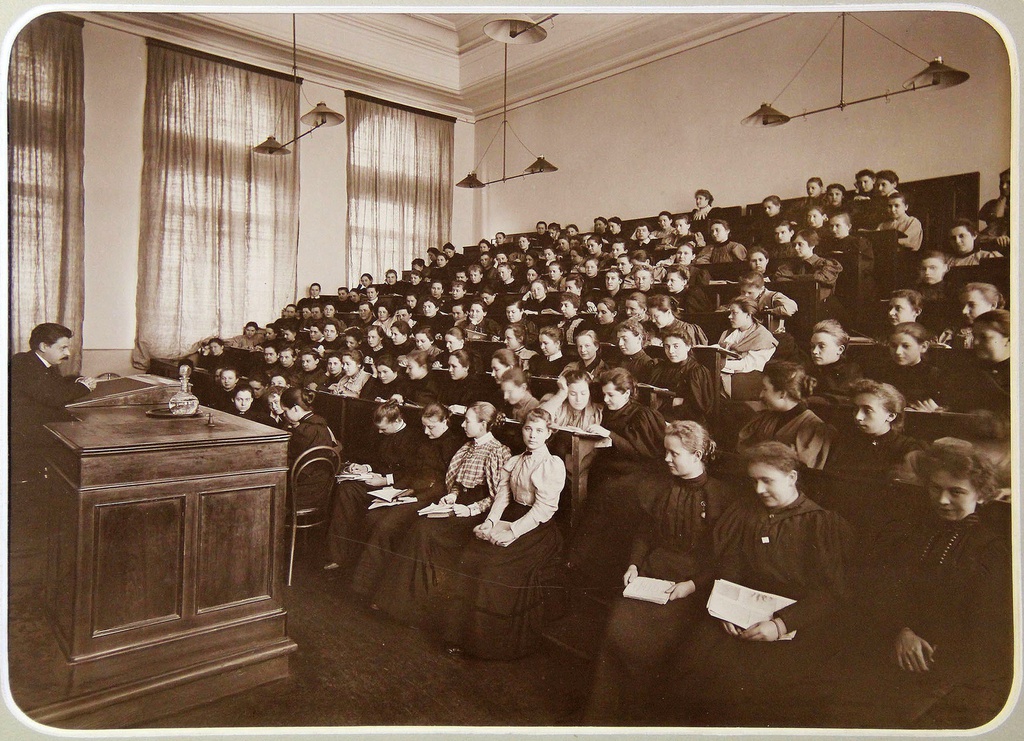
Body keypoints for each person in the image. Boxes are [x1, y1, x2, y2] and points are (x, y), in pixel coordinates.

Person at [668, 442, 852, 726]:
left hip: (796, 623)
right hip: (738, 614)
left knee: (752, 689)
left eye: (767, 481)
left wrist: (780, 625)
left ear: (792, 478)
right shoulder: (745, 512)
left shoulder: (820, 523)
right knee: (694, 662)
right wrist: (725, 608)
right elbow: (729, 564)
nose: (758, 490)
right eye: (754, 481)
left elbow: (830, 593)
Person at [837, 442, 1011, 728]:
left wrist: (922, 648)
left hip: (945, 666)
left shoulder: (990, 551)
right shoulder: (910, 533)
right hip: (890, 642)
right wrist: (901, 630)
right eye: (935, 488)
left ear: (981, 494)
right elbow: (879, 590)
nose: (942, 500)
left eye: (956, 492)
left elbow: (984, 630)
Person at [585, 421, 732, 724]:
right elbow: (645, 534)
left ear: (698, 454)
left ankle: (645, 719)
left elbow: (723, 557)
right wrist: (634, 565)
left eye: (674, 453)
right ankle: (606, 718)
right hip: (652, 573)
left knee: (659, 643)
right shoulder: (660, 488)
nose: (666, 459)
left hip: (694, 582)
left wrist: (692, 585)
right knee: (618, 628)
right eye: (665, 452)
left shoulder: (721, 496)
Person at [442, 408, 567, 659]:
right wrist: (490, 523)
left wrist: (512, 532)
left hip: (536, 528)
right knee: (471, 555)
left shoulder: (552, 465)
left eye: (539, 430)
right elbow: (503, 496)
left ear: (549, 433)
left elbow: (543, 509)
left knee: (493, 566)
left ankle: (486, 643)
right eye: (528, 429)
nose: (532, 435)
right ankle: (458, 635)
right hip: (511, 516)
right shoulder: (515, 460)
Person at [372, 402, 511, 627]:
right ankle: (399, 604)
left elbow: (497, 497)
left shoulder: (497, 451)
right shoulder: (467, 447)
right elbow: (456, 483)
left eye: (468, 421)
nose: (463, 424)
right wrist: (453, 496)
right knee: (420, 525)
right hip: (455, 506)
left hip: (477, 513)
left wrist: (470, 508)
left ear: (484, 425)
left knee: (424, 531)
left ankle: (411, 608)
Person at [348, 403, 465, 599]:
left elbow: (443, 482)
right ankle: (364, 584)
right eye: (424, 426)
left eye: (431, 427)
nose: (426, 432)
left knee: (386, 525)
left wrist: (414, 495)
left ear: (446, 421)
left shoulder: (453, 445)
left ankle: (372, 589)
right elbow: (412, 471)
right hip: (412, 490)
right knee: (373, 516)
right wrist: (398, 489)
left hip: (432, 496)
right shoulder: (424, 440)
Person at [567, 368, 667, 586]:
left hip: (637, 472)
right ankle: (581, 567)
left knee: (608, 497)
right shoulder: (607, 412)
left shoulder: (642, 414)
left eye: (611, 395)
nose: (606, 399)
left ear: (627, 392)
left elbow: (645, 452)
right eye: (604, 394)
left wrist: (610, 436)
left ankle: (598, 568)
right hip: (610, 472)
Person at [324, 400, 421, 571]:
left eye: (383, 428)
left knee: (363, 506)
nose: (379, 431)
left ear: (397, 421)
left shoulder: (412, 439)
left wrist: (385, 480)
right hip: (376, 480)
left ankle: (355, 561)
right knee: (346, 490)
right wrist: (365, 467)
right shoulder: (383, 434)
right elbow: (377, 460)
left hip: (397, 486)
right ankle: (338, 555)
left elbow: (412, 472)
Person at [10, 323, 98, 467]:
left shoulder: (38, 362)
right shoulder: (24, 363)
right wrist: (84, 387)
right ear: (44, 346)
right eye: (63, 348)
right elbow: (53, 396)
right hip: (27, 436)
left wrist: (77, 380)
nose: (68, 353)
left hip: (37, 427)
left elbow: (55, 384)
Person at [736, 361, 835, 470]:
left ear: (783, 393)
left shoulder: (813, 427)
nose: (761, 395)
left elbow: (802, 471)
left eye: (765, 389)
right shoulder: (766, 417)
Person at [824, 379, 921, 479]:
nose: (858, 417)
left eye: (867, 410)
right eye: (856, 409)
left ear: (891, 416)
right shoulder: (846, 440)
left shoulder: (907, 448)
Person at [647, 324, 716, 426]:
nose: (671, 351)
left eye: (676, 346)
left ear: (688, 347)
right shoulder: (660, 368)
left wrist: (666, 402)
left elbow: (700, 408)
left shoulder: (696, 371)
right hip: (660, 417)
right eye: (667, 346)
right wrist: (674, 401)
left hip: (686, 423)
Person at [866, 322, 945, 410]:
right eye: (893, 346)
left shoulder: (935, 375)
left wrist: (935, 411)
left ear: (923, 346)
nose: (898, 352)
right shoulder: (882, 372)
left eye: (906, 346)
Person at [716, 297, 778, 396]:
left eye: (734, 313)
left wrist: (720, 363)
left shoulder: (762, 336)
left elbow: (748, 365)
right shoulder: (728, 333)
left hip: (748, 377)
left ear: (748, 315)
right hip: (727, 372)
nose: (729, 317)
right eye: (729, 313)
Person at [806, 319, 862, 402]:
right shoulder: (808, 369)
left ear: (840, 350)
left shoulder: (851, 371)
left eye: (821, 346)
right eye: (812, 346)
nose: (814, 351)